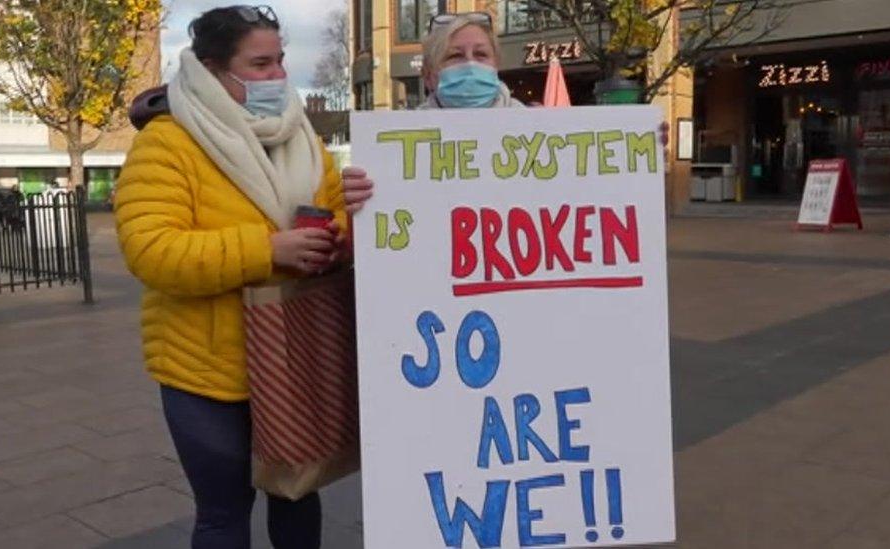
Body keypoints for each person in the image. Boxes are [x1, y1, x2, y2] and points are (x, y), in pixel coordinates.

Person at [115, 5, 346, 548]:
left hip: (294, 360)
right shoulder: (168, 142)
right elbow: (151, 251)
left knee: (297, 495)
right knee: (223, 513)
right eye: (261, 64)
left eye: (281, 62)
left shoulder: (302, 137)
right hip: (207, 372)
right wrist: (269, 250)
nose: (279, 77)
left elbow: (339, 213)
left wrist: (336, 236)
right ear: (214, 70)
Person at [342, 11, 669, 212]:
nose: (470, 64)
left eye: (481, 54)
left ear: (496, 67)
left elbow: (593, 203)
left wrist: (639, 151)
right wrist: (360, 200)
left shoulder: (539, 128)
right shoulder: (393, 151)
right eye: (455, 56)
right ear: (429, 75)